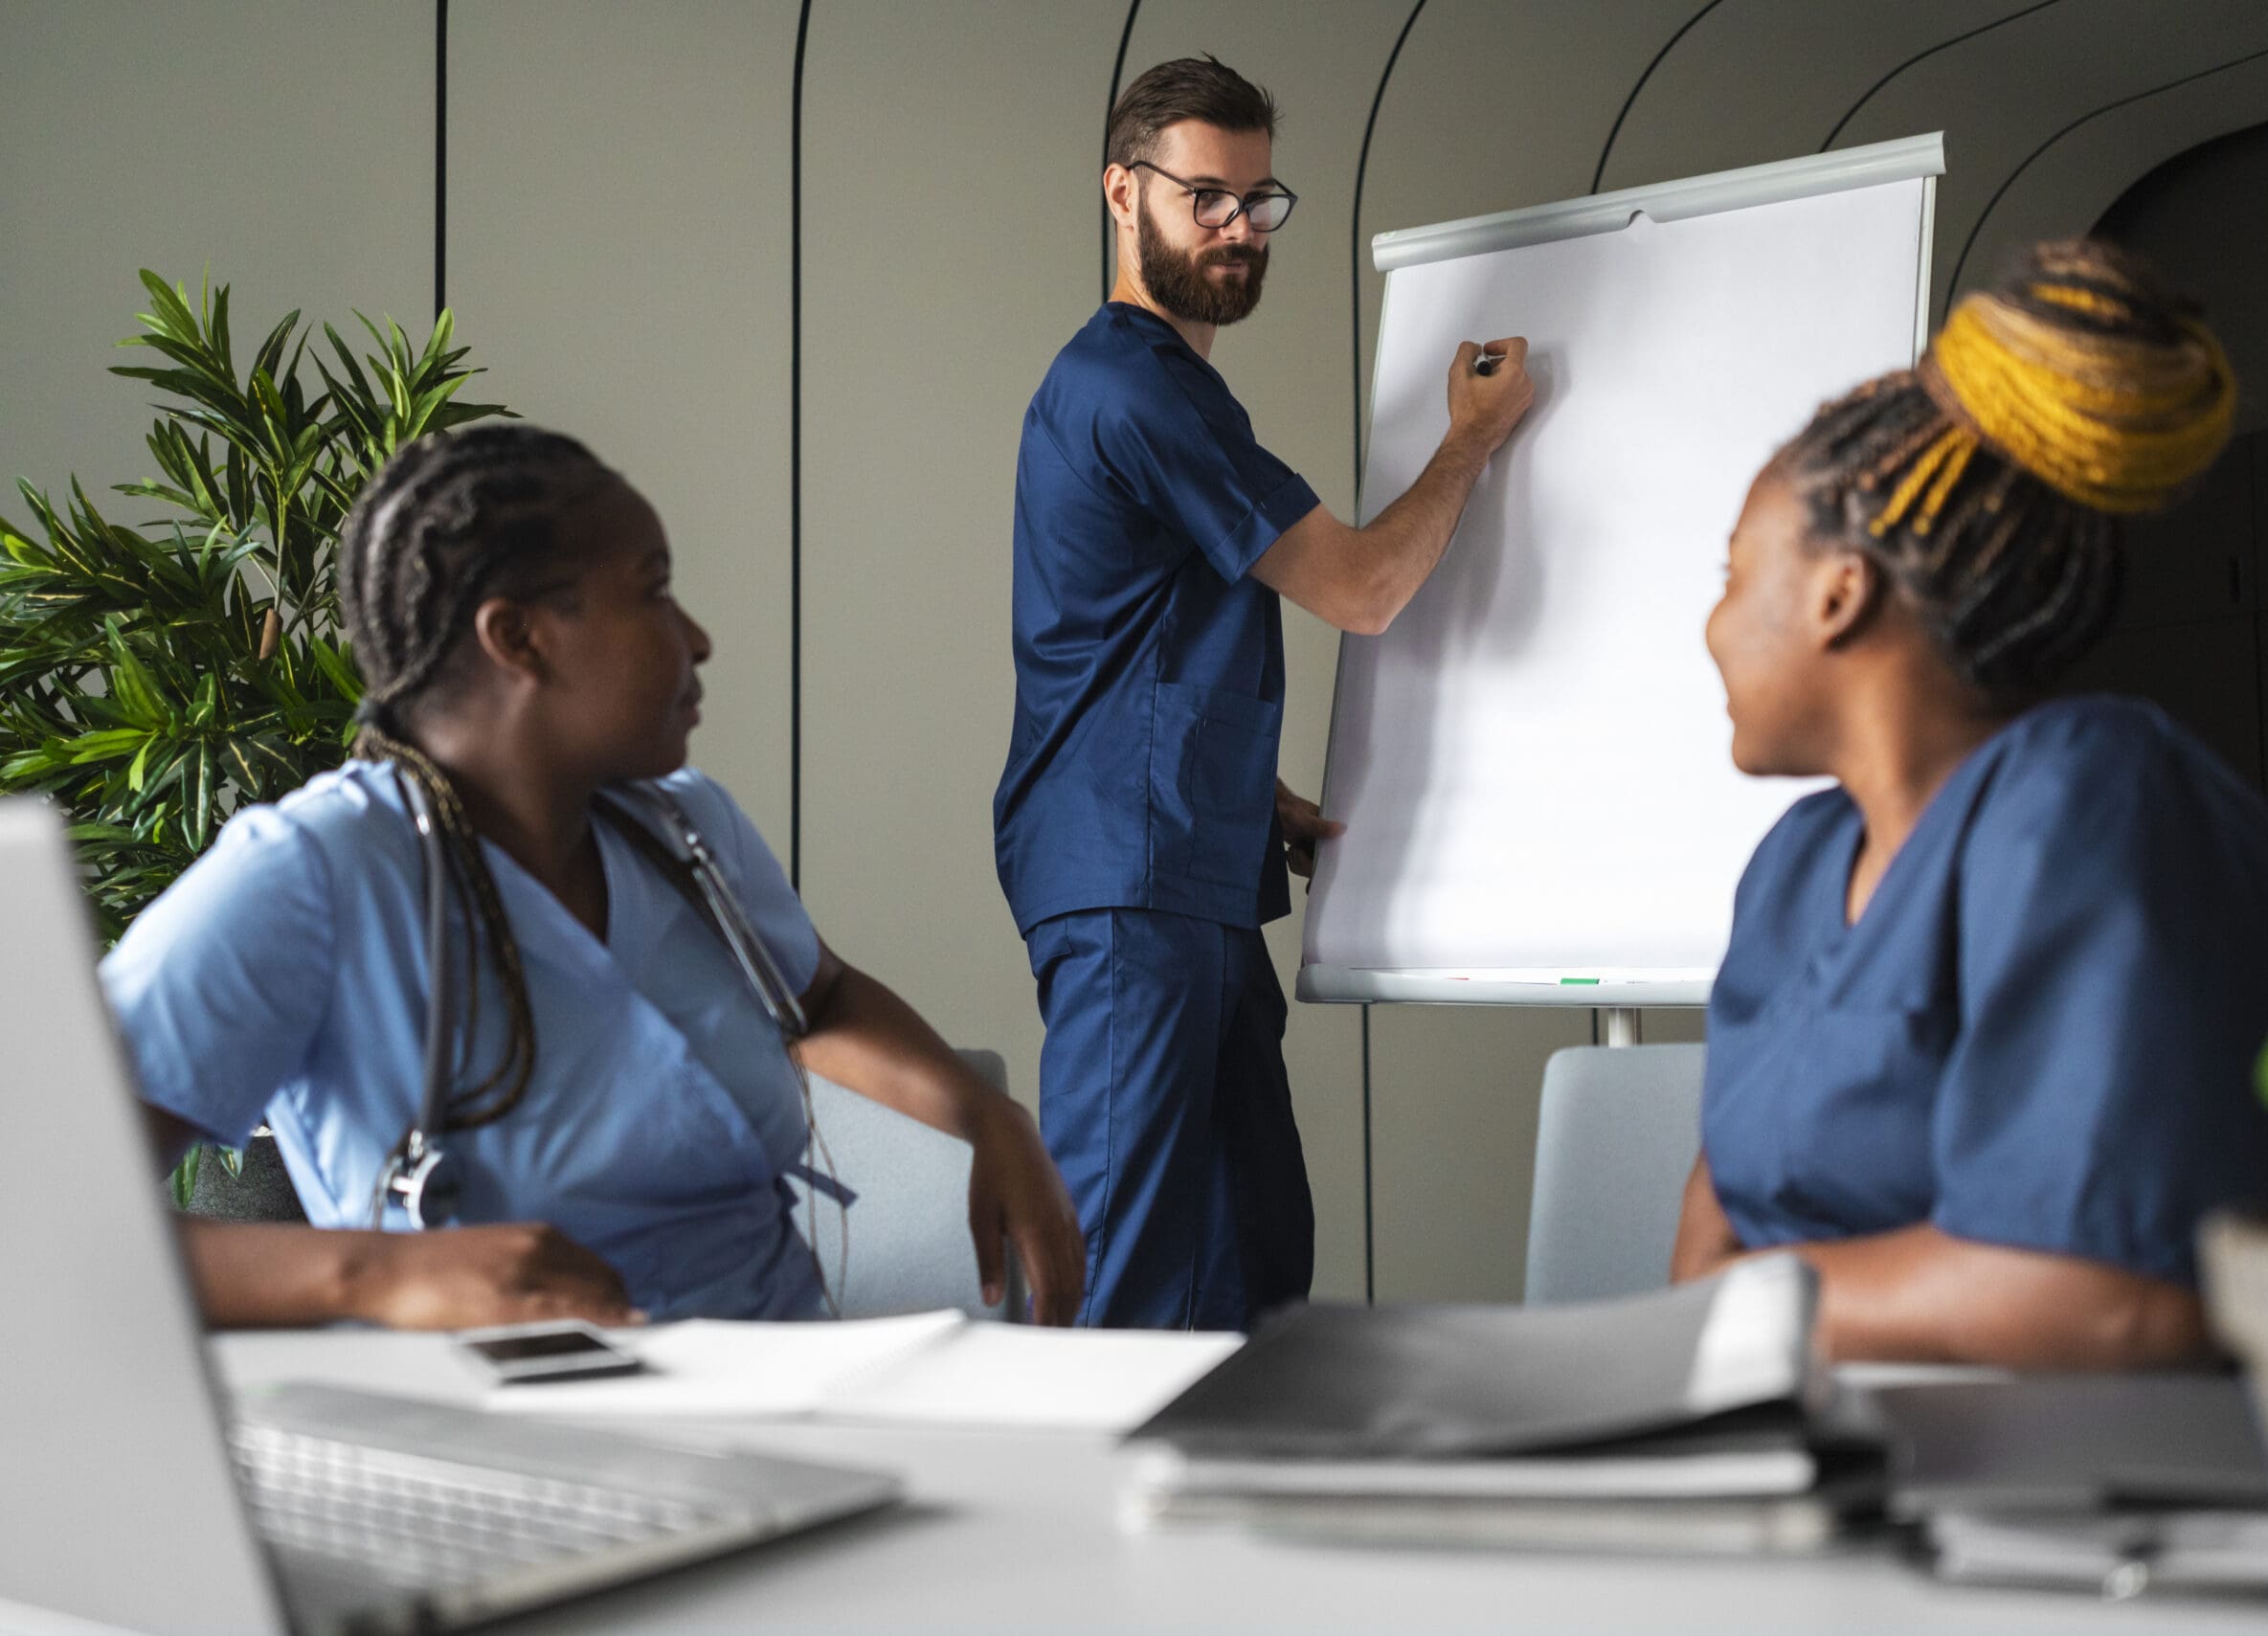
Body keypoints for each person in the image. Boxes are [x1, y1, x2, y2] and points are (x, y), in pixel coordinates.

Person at [107, 425, 1086, 1329]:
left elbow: (816, 997)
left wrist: (981, 1111)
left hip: (787, 1383)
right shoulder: (312, 877)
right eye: (654, 590)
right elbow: (41, 1210)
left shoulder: (681, 826)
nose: (696, 638)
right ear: (519, 637)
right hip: (511, 1439)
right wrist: (373, 1272)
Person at [1672, 239, 2268, 1368]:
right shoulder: (1796, 863)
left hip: (2080, 1494)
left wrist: (1751, 1302)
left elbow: (2113, 1301)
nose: (1713, 624)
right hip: (1805, 1459)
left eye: (1733, 575)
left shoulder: (2092, 799)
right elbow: (1699, 1262)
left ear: (1840, 594)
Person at [993, 56, 1535, 1330]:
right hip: (1133, 893)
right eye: (1206, 199)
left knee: (1250, 1274)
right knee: (1118, 1289)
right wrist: (1469, 441)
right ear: (1123, 195)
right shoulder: (1134, 387)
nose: (1239, 230)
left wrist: (1248, 788)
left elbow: (1134, 635)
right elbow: (1361, 588)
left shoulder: (1162, 387)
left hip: (1188, 868)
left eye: (1258, 201)